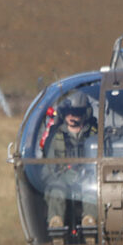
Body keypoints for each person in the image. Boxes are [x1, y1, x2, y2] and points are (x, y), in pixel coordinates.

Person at [42, 90, 98, 237]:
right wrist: (59, 177)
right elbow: (47, 169)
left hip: (88, 178)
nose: (73, 116)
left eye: (77, 112)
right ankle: (56, 225)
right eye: (69, 112)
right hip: (62, 178)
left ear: (85, 113)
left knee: (91, 190)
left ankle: (90, 225)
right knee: (56, 189)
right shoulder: (56, 136)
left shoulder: (94, 135)